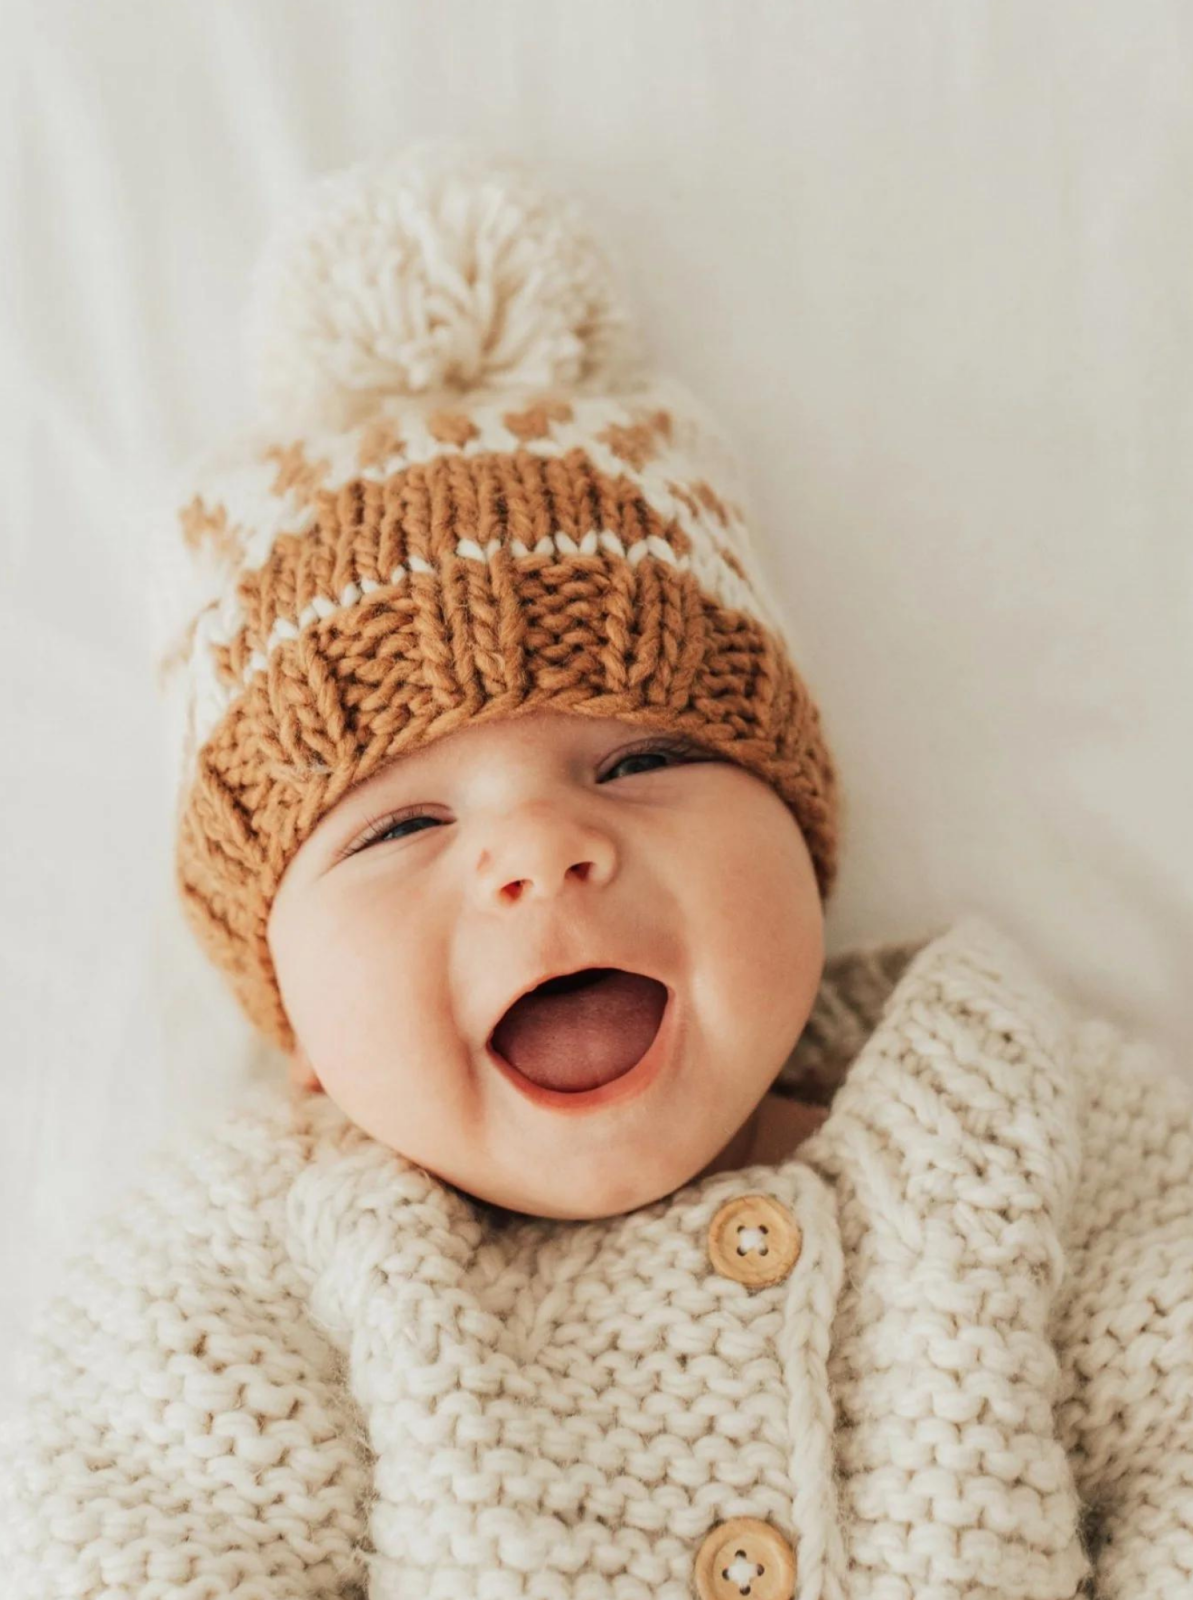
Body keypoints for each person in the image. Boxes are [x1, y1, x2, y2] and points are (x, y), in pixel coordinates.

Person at [2, 139, 1190, 1600]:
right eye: (397, 828)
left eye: (642, 762)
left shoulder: (1023, 1117)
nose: (543, 850)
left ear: (805, 842)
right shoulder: (242, 1271)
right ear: (287, 1013)